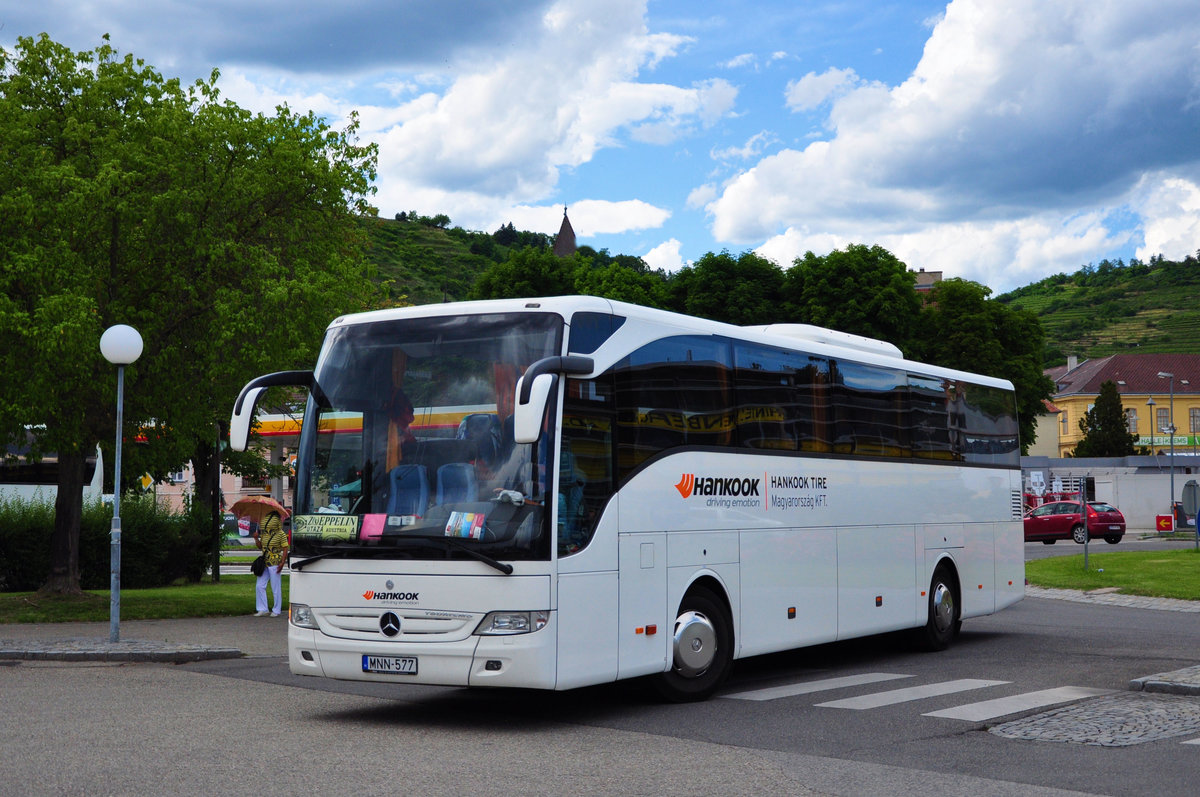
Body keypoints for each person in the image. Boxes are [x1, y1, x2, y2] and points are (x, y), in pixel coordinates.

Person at [252, 510, 289, 617]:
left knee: (275, 587)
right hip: (265, 562)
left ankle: (276, 610)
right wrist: (256, 538)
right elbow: (260, 547)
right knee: (259, 585)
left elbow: (285, 548)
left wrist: (282, 562)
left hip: (275, 562)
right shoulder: (264, 534)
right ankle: (262, 608)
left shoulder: (281, 534)